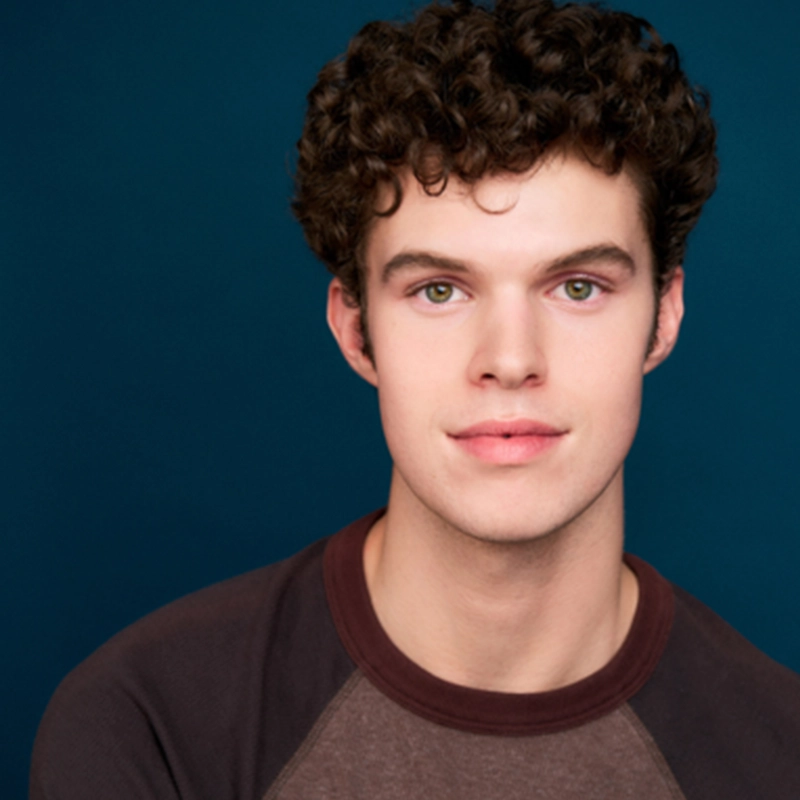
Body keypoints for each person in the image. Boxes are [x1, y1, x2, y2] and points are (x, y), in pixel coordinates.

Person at [30, 0, 800, 797]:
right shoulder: (150, 724)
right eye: (439, 290)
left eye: (577, 286)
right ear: (356, 330)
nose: (509, 360)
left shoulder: (781, 756)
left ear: (664, 315)